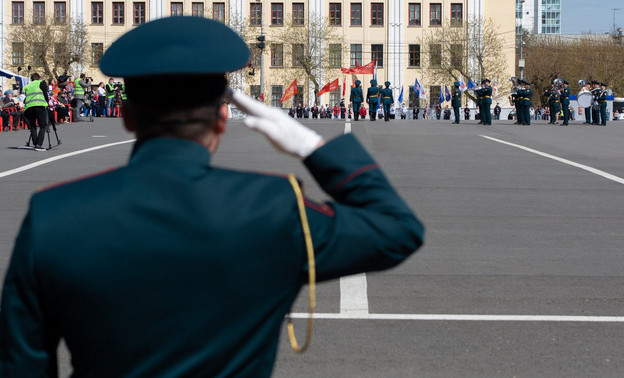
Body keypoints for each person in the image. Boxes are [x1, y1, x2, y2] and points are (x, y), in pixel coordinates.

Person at [0, 17, 423, 378]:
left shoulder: (54, 214)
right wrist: (311, 146)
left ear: (127, 116)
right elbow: (397, 230)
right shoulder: (274, 207)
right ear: (223, 116)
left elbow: (20, 365)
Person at [22, 72, 49, 151]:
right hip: (39, 105)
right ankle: (39, 144)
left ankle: (35, 143)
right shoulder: (41, 83)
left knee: (33, 126)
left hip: (29, 107)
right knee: (42, 126)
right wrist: (46, 102)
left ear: (31, 79)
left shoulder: (28, 86)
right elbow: (45, 93)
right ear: (39, 78)